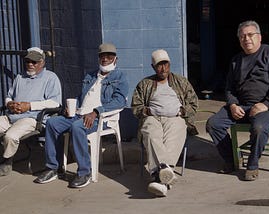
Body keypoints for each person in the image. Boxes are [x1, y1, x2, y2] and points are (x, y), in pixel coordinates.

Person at [206, 20, 269, 181]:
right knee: (213, 124)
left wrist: (266, 104)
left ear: (259, 37)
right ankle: (231, 159)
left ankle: (252, 164)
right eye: (242, 36)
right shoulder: (236, 60)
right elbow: (229, 88)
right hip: (241, 106)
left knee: (258, 127)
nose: (246, 39)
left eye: (250, 35)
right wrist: (232, 104)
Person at [34, 43, 129, 188]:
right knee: (52, 123)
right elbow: (82, 96)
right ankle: (54, 168)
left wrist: (96, 111)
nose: (105, 60)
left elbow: (120, 101)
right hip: (79, 114)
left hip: (101, 117)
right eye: (102, 57)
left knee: (77, 127)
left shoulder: (120, 77)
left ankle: (84, 172)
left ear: (115, 59)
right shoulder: (90, 75)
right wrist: (71, 107)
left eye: (109, 57)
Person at [131, 49, 198, 197]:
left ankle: (158, 178)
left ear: (169, 64)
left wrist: (182, 112)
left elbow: (193, 103)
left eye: (165, 64)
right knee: (150, 132)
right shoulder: (145, 84)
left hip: (175, 117)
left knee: (178, 130)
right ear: (153, 67)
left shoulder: (181, 82)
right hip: (152, 117)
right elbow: (135, 107)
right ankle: (165, 173)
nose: (163, 68)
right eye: (159, 65)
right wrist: (147, 111)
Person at [0, 47, 62, 176]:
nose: (30, 65)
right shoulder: (19, 77)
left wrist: (29, 106)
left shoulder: (51, 78)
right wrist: (9, 103)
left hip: (32, 118)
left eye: (34, 62)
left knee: (10, 136)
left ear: (42, 63)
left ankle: (7, 160)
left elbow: (55, 103)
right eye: (28, 61)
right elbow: (9, 95)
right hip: (12, 115)